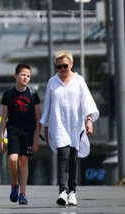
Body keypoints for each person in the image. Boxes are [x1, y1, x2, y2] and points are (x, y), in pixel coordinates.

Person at [40, 50, 99, 206]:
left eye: (65, 66)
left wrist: (89, 120)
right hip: (58, 124)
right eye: (58, 67)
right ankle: (62, 191)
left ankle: (72, 192)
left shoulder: (79, 81)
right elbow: (47, 106)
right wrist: (45, 129)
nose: (62, 70)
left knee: (73, 159)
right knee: (62, 158)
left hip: (75, 125)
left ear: (71, 64)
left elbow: (87, 102)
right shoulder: (52, 82)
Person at [0, 63, 41, 205]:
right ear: (15, 75)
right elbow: (4, 117)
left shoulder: (33, 94)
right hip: (13, 130)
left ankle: (22, 193)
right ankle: (14, 184)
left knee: (23, 161)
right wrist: (1, 139)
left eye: (28, 76)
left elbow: (38, 119)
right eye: (23, 75)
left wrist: (36, 140)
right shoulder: (8, 94)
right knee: (12, 159)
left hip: (28, 132)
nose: (25, 78)